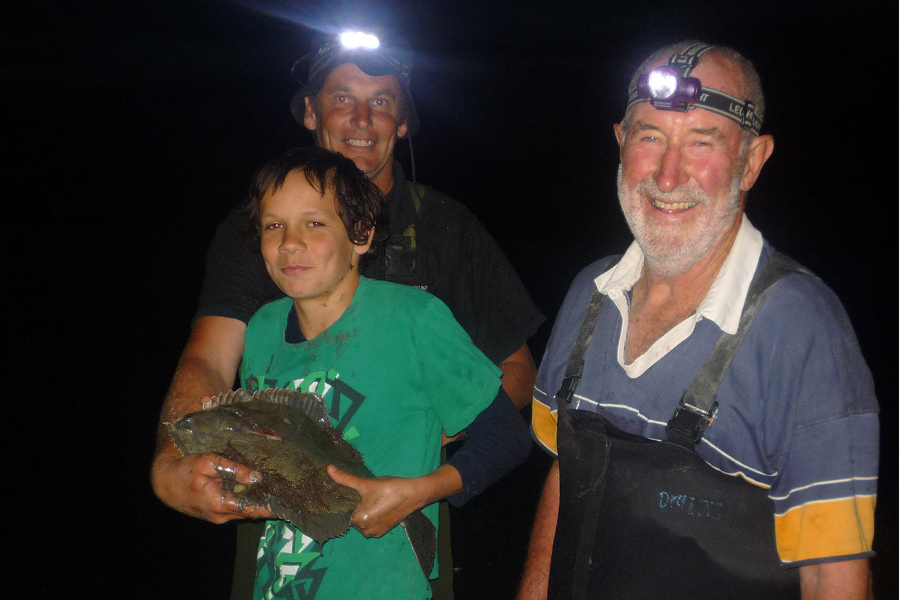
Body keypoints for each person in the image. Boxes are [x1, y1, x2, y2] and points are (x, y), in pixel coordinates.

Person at [151, 28, 543, 599]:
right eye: (341, 98)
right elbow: (209, 361)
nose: (361, 118)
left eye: (381, 101)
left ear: (402, 123)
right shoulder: (253, 233)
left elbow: (517, 375)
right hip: (279, 539)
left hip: (394, 534)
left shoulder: (449, 229)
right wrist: (169, 463)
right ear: (311, 112)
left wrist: (403, 458)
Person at [517, 41, 878, 600]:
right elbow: (565, 479)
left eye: (701, 143)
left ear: (752, 161)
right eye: (650, 137)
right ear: (620, 142)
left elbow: (833, 574)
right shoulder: (589, 293)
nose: (666, 176)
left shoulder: (802, 326)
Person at [220, 145, 528, 599]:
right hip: (280, 579)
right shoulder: (262, 328)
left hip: (381, 581)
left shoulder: (413, 318)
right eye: (273, 225)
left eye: (315, 223)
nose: (290, 242)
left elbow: (507, 436)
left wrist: (420, 491)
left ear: (361, 234)